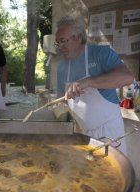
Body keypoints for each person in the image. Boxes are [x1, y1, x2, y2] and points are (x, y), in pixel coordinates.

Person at [55, 15, 134, 154]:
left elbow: (127, 78)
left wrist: (89, 81)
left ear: (78, 37)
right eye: (57, 43)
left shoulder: (101, 54)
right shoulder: (62, 68)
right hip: (83, 136)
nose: (60, 47)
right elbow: (62, 103)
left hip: (110, 135)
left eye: (63, 41)